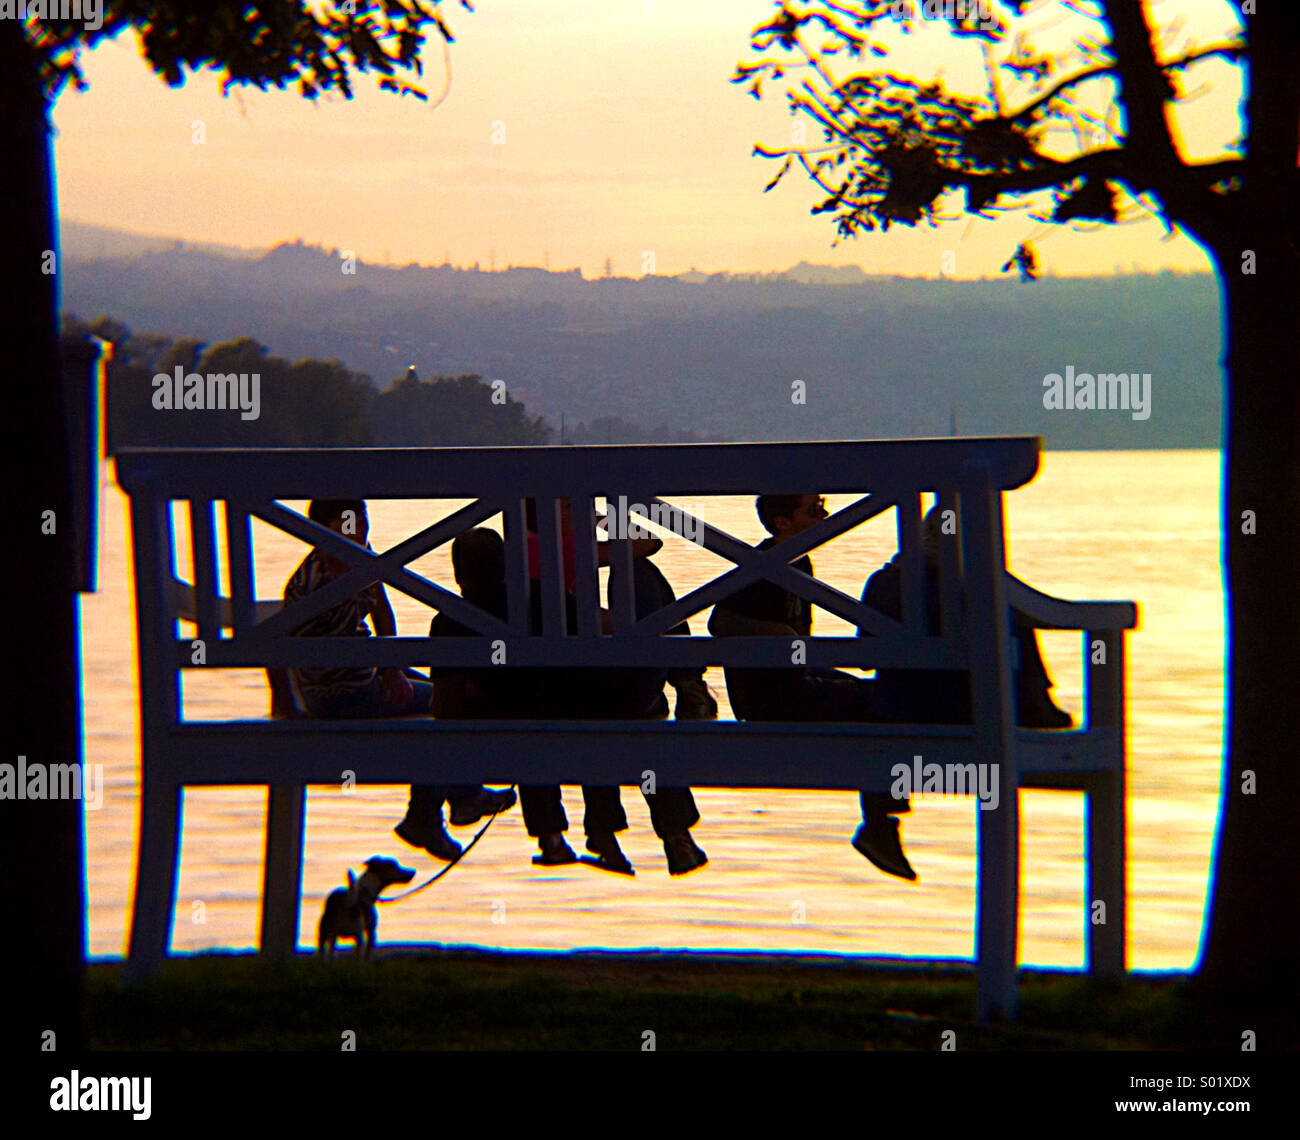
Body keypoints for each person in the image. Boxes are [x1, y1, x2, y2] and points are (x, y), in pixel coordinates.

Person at [435, 518, 708, 876]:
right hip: (596, 702)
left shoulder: (450, 623)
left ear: (458, 576)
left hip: (538, 716)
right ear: (506, 566)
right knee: (640, 730)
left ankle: (566, 838)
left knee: (543, 730)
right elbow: (608, 621)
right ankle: (669, 833)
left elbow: (447, 706)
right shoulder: (539, 593)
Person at [280, 498, 515, 863]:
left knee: (438, 692)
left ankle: (440, 807)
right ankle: (446, 803)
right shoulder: (314, 581)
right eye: (345, 523)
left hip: (370, 675)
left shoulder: (361, 556)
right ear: (320, 530)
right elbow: (279, 645)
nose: (357, 529)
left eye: (360, 520)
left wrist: (392, 670)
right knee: (447, 702)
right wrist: (284, 703)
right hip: (342, 694)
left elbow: (382, 611)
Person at [708, 494, 915, 880]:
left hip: (796, 682)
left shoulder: (799, 562)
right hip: (770, 699)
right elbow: (720, 622)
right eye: (813, 510)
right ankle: (880, 825)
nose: (825, 515)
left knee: (882, 698)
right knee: (880, 707)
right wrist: (782, 636)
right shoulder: (762, 564)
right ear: (783, 523)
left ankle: (881, 822)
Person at [861, 505, 1073, 730]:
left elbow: (866, 659)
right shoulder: (984, 591)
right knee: (1011, 620)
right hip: (969, 717)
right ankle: (1038, 704)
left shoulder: (882, 582)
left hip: (895, 712)